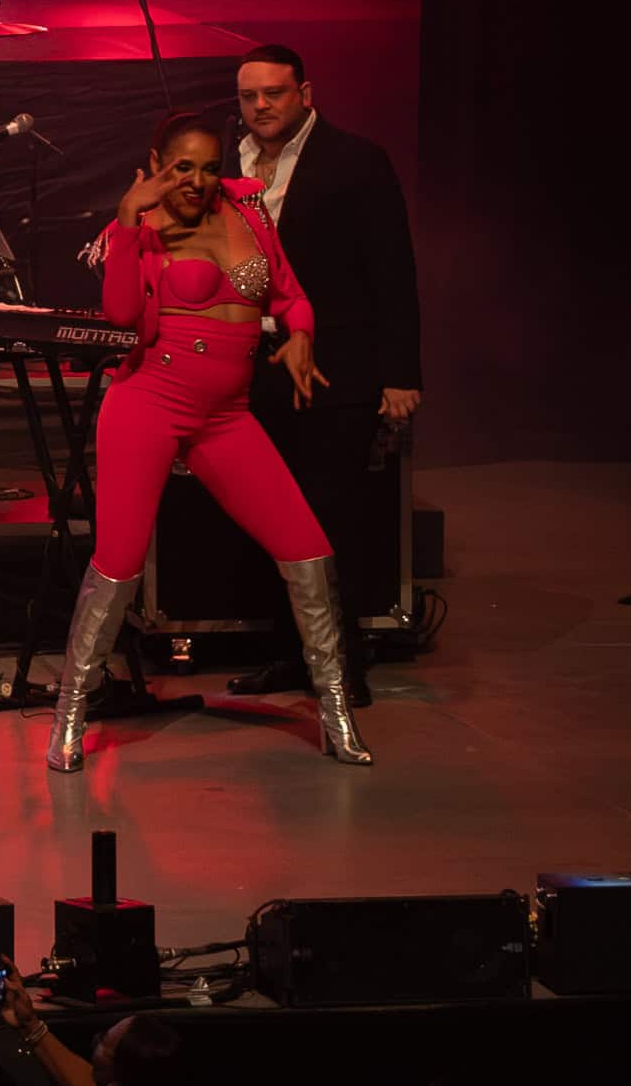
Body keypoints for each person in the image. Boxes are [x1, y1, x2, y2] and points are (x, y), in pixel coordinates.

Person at [53, 118, 369, 767]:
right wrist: (125, 221)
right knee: (118, 562)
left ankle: (336, 712)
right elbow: (117, 315)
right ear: (157, 163)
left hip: (226, 415)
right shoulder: (140, 227)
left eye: (207, 167)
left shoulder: (246, 210)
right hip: (148, 402)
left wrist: (301, 335)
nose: (197, 181)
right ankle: (69, 717)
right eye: (182, 168)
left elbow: (290, 293)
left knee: (308, 550)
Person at [196, 41, 425, 685]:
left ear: (305, 94)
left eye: (274, 93)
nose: (261, 106)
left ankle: (342, 667)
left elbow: (393, 272)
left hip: (335, 368)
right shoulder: (219, 160)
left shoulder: (356, 162)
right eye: (249, 96)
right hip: (246, 365)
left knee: (330, 517)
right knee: (267, 517)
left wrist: (401, 371)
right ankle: (290, 657)